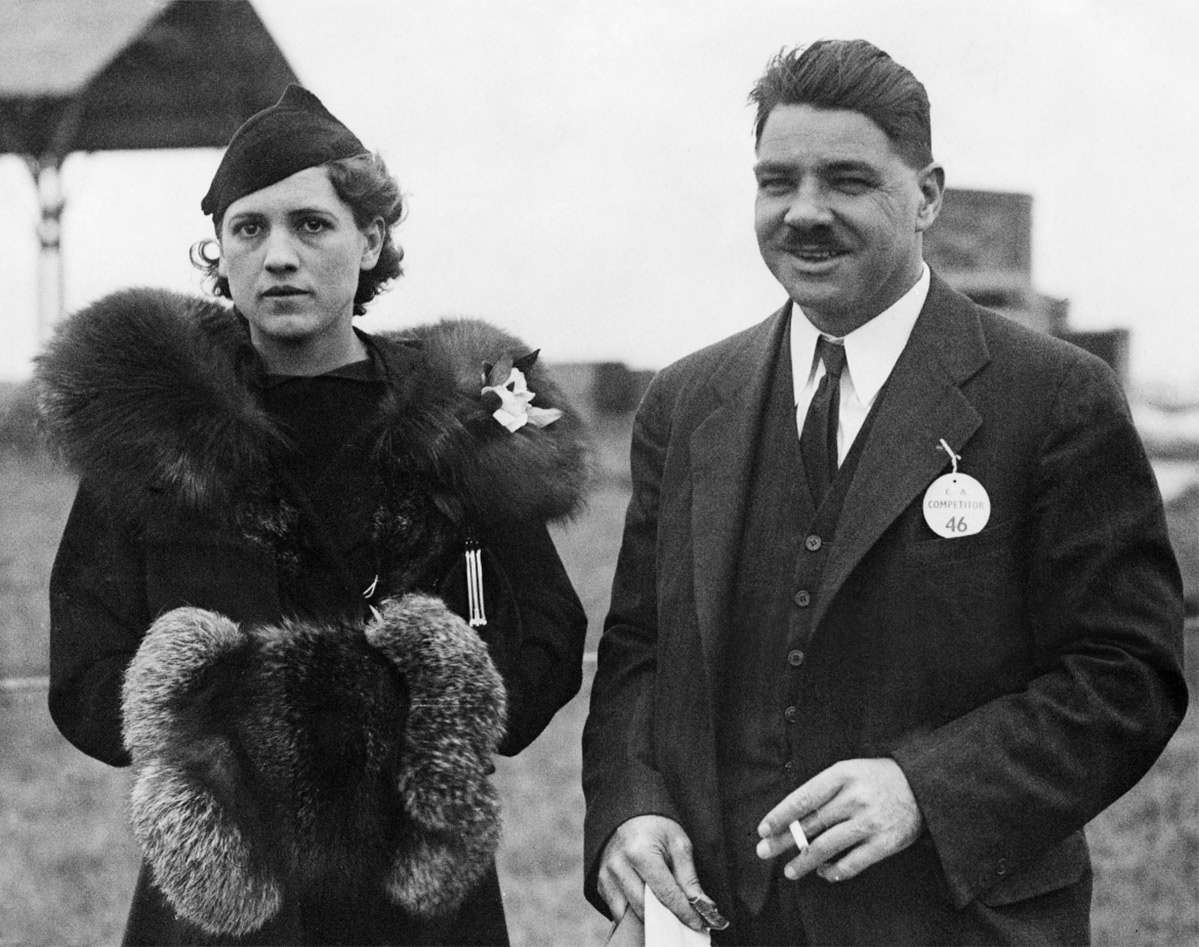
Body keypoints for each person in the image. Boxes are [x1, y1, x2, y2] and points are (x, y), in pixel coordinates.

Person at [582, 39, 1188, 946]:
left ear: (928, 196)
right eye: (775, 180)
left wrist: (925, 787)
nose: (803, 213)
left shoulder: (1052, 395)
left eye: (847, 180)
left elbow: (1127, 673)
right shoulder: (685, 401)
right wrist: (634, 809)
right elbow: (640, 651)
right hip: (723, 924)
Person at [36, 85, 589, 946]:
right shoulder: (155, 429)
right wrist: (208, 712)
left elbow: (548, 637)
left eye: (312, 225)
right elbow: (82, 669)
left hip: (417, 894)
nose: (279, 255)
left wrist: (448, 691)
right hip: (223, 892)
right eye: (249, 228)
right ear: (217, 251)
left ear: (370, 240)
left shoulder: (462, 418)